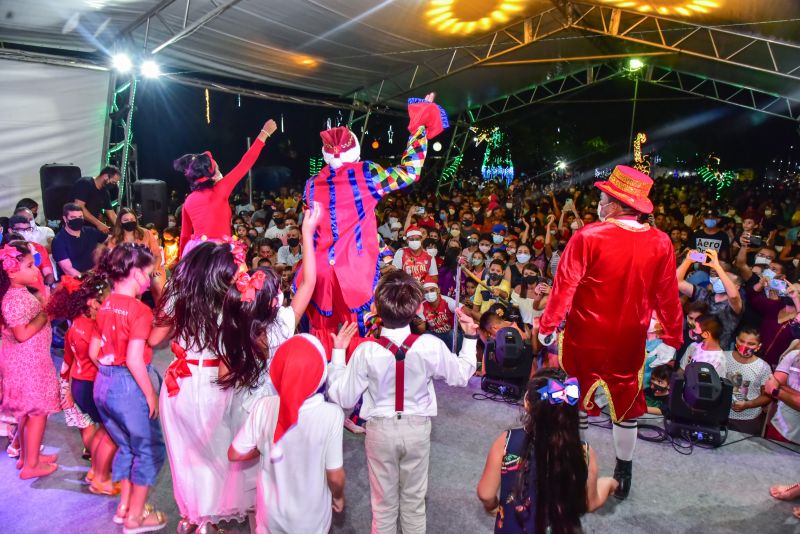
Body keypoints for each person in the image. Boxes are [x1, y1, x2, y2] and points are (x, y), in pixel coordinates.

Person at [537, 166, 684, 501]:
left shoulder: (589, 235)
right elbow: (668, 295)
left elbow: (564, 288)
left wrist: (547, 326)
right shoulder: (660, 241)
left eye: (603, 198)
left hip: (584, 338)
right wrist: (674, 336)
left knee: (576, 403)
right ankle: (624, 469)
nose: (599, 203)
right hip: (628, 341)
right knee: (626, 407)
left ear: (617, 203)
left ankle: (577, 466)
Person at [295, 93, 447, 357]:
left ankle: (320, 382)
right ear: (354, 150)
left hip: (317, 270)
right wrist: (420, 127)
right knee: (356, 331)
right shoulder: (365, 174)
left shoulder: (310, 184)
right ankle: (354, 386)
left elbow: (315, 227)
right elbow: (410, 172)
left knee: (321, 331)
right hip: (354, 269)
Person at [326, 270, 478, 533]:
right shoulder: (430, 345)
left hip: (380, 431)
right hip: (418, 429)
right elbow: (462, 374)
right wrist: (471, 339)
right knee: (414, 503)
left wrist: (338, 354)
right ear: (418, 308)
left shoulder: (366, 351)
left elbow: (342, 397)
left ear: (375, 308)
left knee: (383, 506)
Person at [151, 241, 260, 533]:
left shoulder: (179, 294)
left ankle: (193, 517)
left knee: (185, 454)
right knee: (215, 452)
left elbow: (154, 339)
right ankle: (207, 523)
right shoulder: (230, 302)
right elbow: (229, 360)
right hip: (209, 384)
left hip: (177, 383)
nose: (242, 276)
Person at [476, 368, 617, 533]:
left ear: (527, 403)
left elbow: (485, 493)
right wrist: (608, 484)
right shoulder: (584, 452)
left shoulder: (506, 442)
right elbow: (589, 503)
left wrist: (492, 506)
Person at [229, 334, 345, 534]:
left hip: (270, 516)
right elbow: (335, 476)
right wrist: (338, 496)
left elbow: (234, 453)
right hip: (311, 520)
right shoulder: (331, 415)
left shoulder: (264, 406)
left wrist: (261, 449)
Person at [89, 244, 167, 532]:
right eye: (147, 274)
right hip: (128, 384)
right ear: (135, 273)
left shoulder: (105, 304)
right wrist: (149, 394)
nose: (149, 279)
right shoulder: (139, 310)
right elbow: (135, 359)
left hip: (103, 383)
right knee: (149, 449)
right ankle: (135, 517)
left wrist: (110, 376)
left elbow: (95, 352)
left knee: (127, 447)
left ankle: (124, 508)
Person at [46, 273, 116, 494]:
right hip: (91, 384)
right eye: (105, 301)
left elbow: (68, 358)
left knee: (92, 430)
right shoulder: (94, 328)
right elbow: (102, 358)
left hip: (78, 382)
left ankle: (94, 471)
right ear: (92, 302)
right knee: (106, 432)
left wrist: (65, 385)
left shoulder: (75, 324)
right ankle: (100, 474)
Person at [0, 241, 60, 479]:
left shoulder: (17, 293)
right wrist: (45, 314)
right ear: (12, 271)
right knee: (37, 412)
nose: (36, 269)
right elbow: (22, 333)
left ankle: (28, 456)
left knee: (26, 412)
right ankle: (31, 465)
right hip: (28, 365)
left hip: (27, 362)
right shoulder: (14, 299)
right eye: (29, 266)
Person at [175, 119, 277, 256]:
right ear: (211, 175)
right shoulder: (220, 189)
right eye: (218, 169)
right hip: (220, 254)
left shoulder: (189, 200)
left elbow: (185, 236)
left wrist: (183, 264)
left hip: (198, 255)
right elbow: (245, 163)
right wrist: (264, 133)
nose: (220, 172)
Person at [677, 248, 743, 350]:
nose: (721, 280)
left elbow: (734, 296)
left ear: (737, 287)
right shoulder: (704, 293)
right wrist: (687, 261)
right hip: (690, 345)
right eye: (720, 278)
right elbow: (678, 282)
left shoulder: (735, 304)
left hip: (713, 351)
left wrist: (717, 266)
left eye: (725, 279)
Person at [108, 208, 166, 303]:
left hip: (150, 268)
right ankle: (133, 311)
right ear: (120, 222)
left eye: (132, 219)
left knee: (157, 282)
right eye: (126, 220)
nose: (129, 222)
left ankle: (160, 314)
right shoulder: (114, 239)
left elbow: (157, 255)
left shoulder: (146, 233)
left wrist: (154, 269)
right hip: (127, 270)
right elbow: (112, 261)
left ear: (136, 219)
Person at [725, 326, 772, 435]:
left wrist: (748, 404)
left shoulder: (764, 367)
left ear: (758, 346)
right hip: (720, 414)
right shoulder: (722, 357)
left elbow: (767, 396)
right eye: (742, 341)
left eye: (751, 344)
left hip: (747, 420)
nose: (745, 346)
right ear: (736, 340)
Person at [52, 203, 107, 277]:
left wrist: (103, 249)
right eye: (73, 217)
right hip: (73, 281)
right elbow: (68, 270)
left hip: (95, 274)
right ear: (65, 219)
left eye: (80, 217)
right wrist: (87, 281)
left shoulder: (90, 231)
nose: (77, 220)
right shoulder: (58, 241)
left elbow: (110, 240)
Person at [72, 166, 120, 233]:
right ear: (106, 176)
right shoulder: (84, 183)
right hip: (76, 227)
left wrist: (121, 229)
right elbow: (79, 208)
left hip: (91, 229)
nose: (114, 185)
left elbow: (111, 213)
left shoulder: (105, 192)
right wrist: (99, 224)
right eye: (113, 182)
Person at [419, 276, 458, 348]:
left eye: (432, 290)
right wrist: (418, 323)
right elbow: (422, 329)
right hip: (434, 334)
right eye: (426, 292)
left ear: (438, 290)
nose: (429, 293)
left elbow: (465, 310)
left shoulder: (447, 301)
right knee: (425, 336)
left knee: (454, 334)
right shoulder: (422, 306)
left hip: (449, 333)